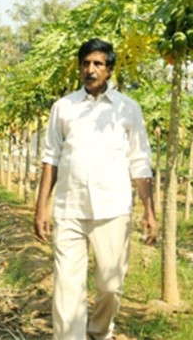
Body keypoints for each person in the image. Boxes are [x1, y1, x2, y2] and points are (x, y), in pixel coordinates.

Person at [34, 38, 158, 340]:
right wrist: (41, 207)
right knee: (67, 287)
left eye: (98, 64)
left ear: (110, 69)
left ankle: (99, 331)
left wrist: (149, 212)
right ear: (79, 68)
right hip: (70, 209)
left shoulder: (128, 109)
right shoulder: (63, 108)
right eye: (86, 63)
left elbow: (140, 163)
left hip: (113, 210)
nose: (91, 69)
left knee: (111, 286)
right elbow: (51, 157)